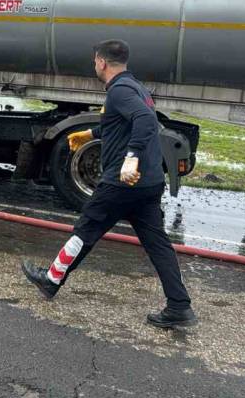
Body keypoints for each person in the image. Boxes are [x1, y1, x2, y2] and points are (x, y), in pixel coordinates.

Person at [21, 39, 196, 329]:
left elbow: (144, 121)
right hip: (149, 183)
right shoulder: (135, 87)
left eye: (94, 62)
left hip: (121, 182)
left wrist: (131, 157)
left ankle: (51, 279)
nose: (94, 66)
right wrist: (89, 134)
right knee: (158, 245)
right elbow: (119, 124)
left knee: (85, 231)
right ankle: (179, 306)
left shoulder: (119, 91)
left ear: (102, 62)